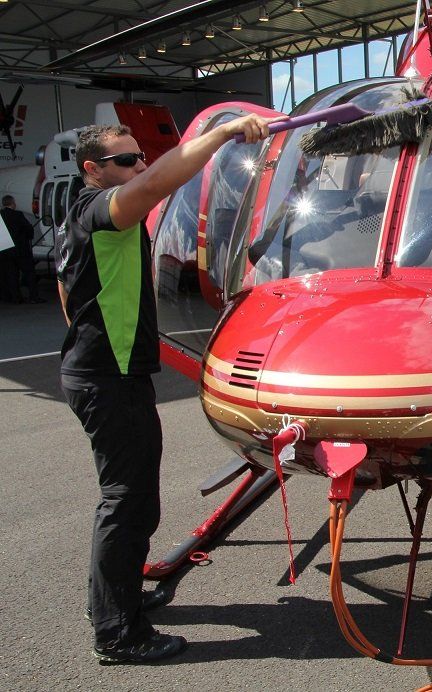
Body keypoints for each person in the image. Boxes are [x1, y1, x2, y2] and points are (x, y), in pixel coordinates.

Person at [58, 114, 279, 664]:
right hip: (107, 380)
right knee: (126, 503)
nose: (138, 167)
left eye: (139, 157)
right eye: (126, 161)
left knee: (132, 501)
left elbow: (67, 289)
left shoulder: (85, 216)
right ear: (93, 170)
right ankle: (116, 633)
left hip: (103, 371)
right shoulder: (99, 211)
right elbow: (159, 184)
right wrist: (223, 135)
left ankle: (116, 601)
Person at [1, 195, 43, 303]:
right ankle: (33, 297)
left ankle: (16, 297)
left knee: (11, 275)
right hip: (21, 249)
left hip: (6, 251)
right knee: (29, 273)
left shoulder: (1, 215)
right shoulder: (18, 215)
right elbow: (28, 228)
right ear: (12, 203)